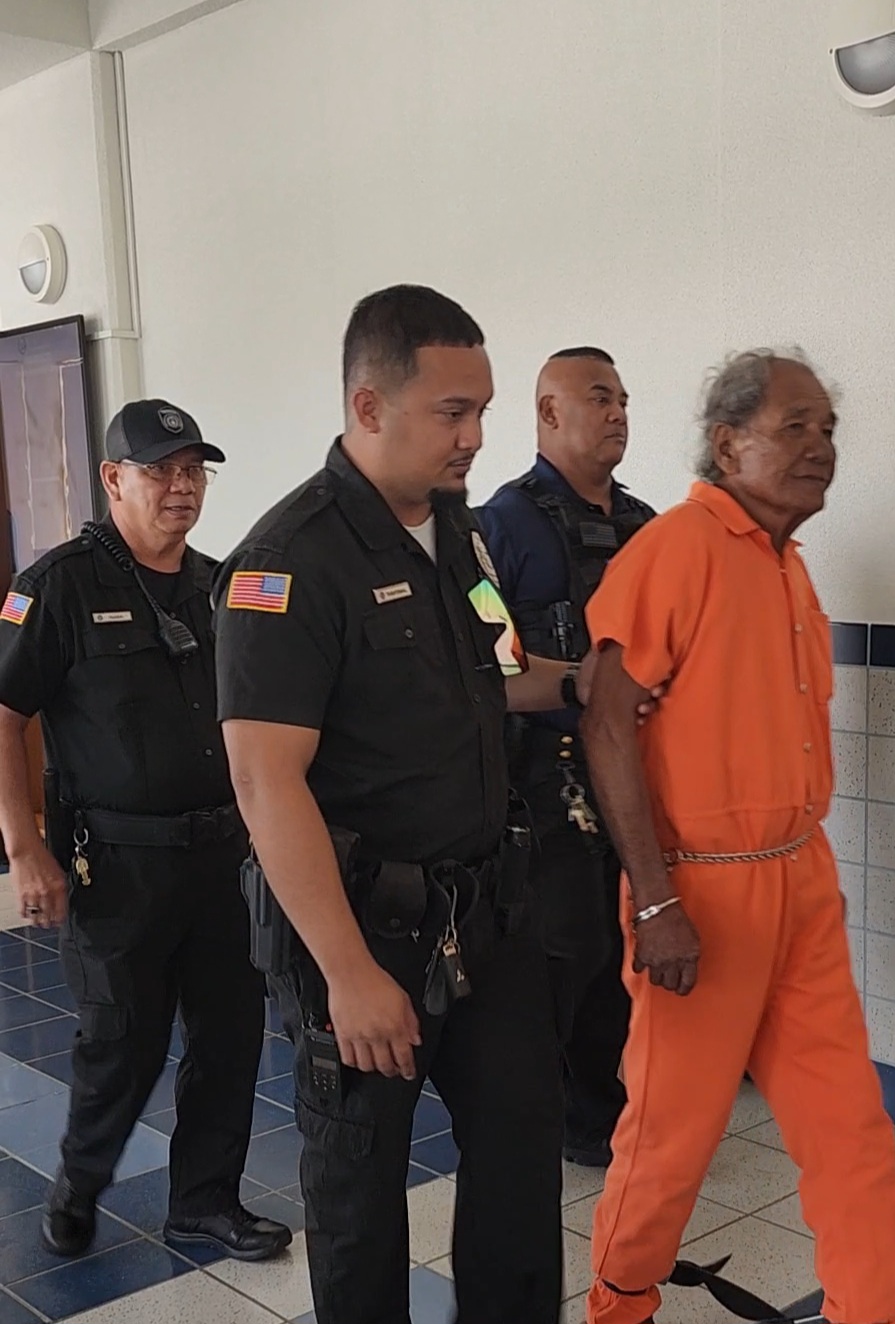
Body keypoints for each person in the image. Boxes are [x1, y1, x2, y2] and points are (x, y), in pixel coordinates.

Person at [215, 285, 618, 1324]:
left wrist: (580, 682)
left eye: (482, 409)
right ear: (368, 406)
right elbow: (266, 782)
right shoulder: (286, 562)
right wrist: (348, 975)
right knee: (359, 1199)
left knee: (522, 1173)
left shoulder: (460, 534)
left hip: (490, 916)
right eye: (453, 412)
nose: (478, 435)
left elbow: (500, 665)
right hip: (362, 934)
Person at [580, 351, 895, 1324]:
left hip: (801, 881)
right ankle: (617, 1310)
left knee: (848, 1127)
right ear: (730, 444)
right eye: (795, 427)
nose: (820, 448)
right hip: (699, 896)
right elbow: (605, 722)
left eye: (829, 431)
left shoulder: (787, 565)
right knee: (671, 1141)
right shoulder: (676, 549)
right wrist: (656, 898)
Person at [0, 400, 291, 1262]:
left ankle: (204, 1201)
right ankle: (79, 1183)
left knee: (230, 1039)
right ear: (112, 479)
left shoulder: (222, 583)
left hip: (226, 861)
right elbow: (5, 714)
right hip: (118, 867)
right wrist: (25, 847)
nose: (181, 486)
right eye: (161, 469)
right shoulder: (52, 588)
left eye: (194, 470)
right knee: (120, 1047)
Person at [477, 347, 654, 1168]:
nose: (618, 412)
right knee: (563, 957)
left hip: (640, 780)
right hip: (545, 788)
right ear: (548, 414)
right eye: (598, 398)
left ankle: (605, 1113)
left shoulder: (647, 528)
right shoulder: (494, 530)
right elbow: (488, 668)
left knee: (624, 951)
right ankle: (544, 1121)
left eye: (622, 399)